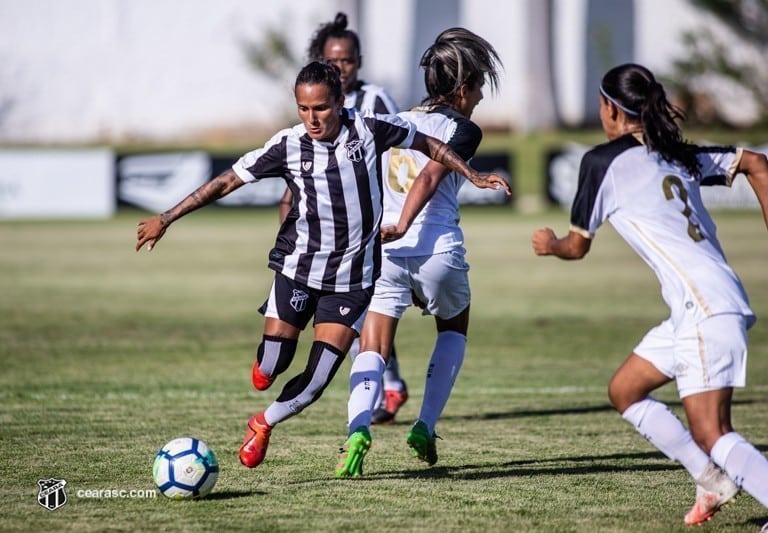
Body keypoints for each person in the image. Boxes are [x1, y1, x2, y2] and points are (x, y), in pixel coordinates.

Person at [136, 61, 510, 470]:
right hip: (298, 270)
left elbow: (430, 146)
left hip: (351, 281)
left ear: (339, 102)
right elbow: (227, 181)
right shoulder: (288, 144)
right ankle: (267, 363)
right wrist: (167, 217)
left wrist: (473, 175)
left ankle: (262, 423)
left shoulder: (368, 129)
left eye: (321, 108)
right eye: (303, 109)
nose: (312, 118)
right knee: (273, 364)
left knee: (316, 381)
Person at [531, 63, 768, 526]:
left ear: (610, 109)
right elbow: (755, 162)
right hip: (702, 303)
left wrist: (550, 244)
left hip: (704, 308)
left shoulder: (603, 162)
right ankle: (712, 481)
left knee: (712, 432)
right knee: (626, 390)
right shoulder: (676, 154)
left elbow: (577, 247)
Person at [335, 28, 504, 477]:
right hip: (436, 251)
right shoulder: (463, 129)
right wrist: (407, 222)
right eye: (479, 87)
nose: (480, 97)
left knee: (372, 343)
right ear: (462, 88)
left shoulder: (395, 122)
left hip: (386, 251)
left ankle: (357, 429)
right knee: (454, 328)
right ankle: (425, 425)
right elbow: (430, 175)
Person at [278, 12, 409, 424]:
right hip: (329, 234)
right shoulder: (314, 109)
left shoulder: (376, 102)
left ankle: (387, 386)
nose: (341, 67)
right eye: (333, 60)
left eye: (347, 60)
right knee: (355, 312)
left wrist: (398, 209)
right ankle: (389, 385)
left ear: (359, 62)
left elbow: (403, 151)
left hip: (377, 225)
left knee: (367, 307)